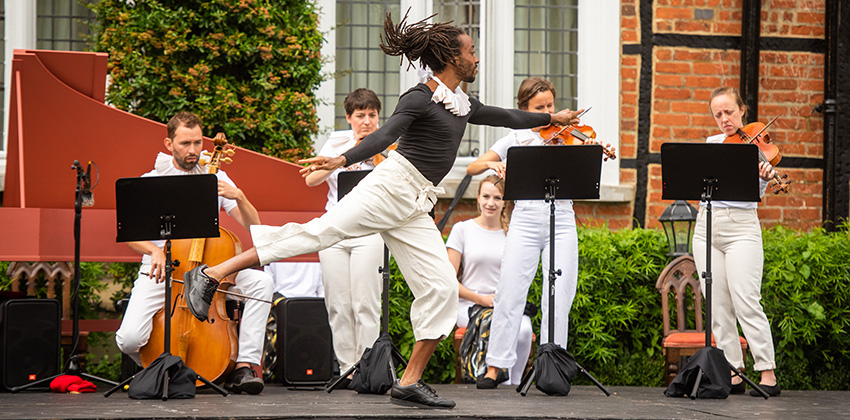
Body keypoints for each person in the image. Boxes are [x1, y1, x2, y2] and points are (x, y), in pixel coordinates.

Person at [180, 12, 583, 409]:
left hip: (415, 203)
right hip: (391, 186)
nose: (476, 58)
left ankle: (409, 382)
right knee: (321, 233)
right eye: (471, 52)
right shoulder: (420, 96)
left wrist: (551, 118)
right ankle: (212, 274)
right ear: (451, 58)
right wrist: (342, 160)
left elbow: (505, 115)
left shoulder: (460, 102)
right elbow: (387, 135)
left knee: (441, 289)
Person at [116, 112, 273, 395]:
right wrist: (154, 250)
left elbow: (254, 226)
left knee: (262, 283)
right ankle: (158, 370)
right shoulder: (152, 180)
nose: (193, 150)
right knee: (128, 339)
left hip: (209, 271)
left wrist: (240, 196)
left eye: (198, 143)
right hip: (163, 270)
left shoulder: (216, 175)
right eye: (185, 143)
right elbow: (131, 234)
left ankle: (244, 365)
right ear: (168, 143)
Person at [468, 77, 580, 389]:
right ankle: (496, 367)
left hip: (563, 218)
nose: (548, 112)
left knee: (559, 293)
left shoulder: (565, 135)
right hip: (526, 220)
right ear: (525, 110)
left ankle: (553, 366)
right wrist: (498, 167)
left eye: (550, 106)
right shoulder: (515, 139)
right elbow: (473, 168)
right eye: (539, 108)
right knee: (510, 291)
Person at [696, 86, 780, 397]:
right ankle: (733, 371)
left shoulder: (758, 147)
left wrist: (765, 176)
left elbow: (756, 194)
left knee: (746, 298)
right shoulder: (712, 144)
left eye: (729, 111)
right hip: (707, 226)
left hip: (742, 228)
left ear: (742, 110)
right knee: (718, 305)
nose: (724, 119)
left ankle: (767, 371)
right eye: (717, 114)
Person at [304, 88, 384, 383]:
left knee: (366, 302)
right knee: (338, 304)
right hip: (335, 229)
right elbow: (312, 179)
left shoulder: (389, 143)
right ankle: (347, 369)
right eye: (360, 116)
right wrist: (341, 157)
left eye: (372, 115)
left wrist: (376, 154)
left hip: (369, 229)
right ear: (349, 118)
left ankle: (368, 369)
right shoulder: (337, 141)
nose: (366, 121)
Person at [445, 174, 533, 385]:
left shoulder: (514, 234)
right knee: (497, 326)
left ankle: (514, 384)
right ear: (477, 198)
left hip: (505, 304)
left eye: (497, 197)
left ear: (505, 202)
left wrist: (503, 301)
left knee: (523, 330)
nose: (490, 203)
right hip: (469, 305)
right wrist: (482, 299)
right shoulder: (462, 229)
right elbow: (448, 279)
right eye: (486, 196)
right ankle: (495, 382)